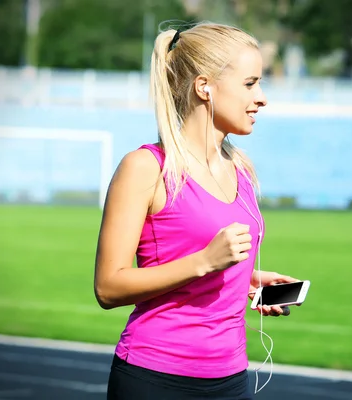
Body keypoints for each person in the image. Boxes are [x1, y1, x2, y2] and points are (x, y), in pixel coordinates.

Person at [94, 21, 298, 400]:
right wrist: (204, 261)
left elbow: (205, 260)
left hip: (232, 378)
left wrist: (247, 280)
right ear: (205, 86)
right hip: (155, 378)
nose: (263, 97)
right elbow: (108, 287)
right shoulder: (145, 167)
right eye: (250, 83)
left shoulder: (241, 168)